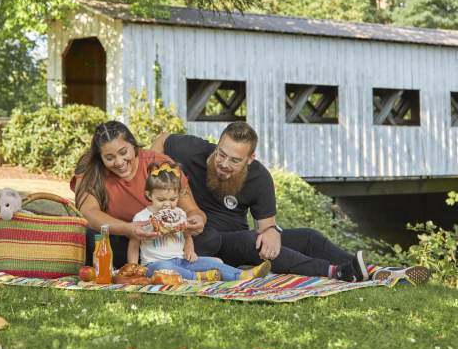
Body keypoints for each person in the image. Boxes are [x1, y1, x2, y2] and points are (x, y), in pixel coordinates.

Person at [152, 121, 431, 284]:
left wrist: (271, 232)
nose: (224, 164)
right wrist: (160, 178)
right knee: (248, 241)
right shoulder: (191, 149)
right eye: (221, 154)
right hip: (204, 240)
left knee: (305, 236)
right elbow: (161, 140)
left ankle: (375, 271)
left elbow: (267, 228)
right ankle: (337, 272)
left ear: (250, 159)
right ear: (217, 145)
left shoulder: (259, 177)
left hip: (237, 236)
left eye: (235, 160)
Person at [71, 121, 206, 269]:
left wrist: (197, 219)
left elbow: (192, 210)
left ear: (133, 145)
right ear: (100, 158)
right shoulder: (90, 170)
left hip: (165, 239)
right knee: (91, 237)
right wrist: (128, 229)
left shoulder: (159, 165)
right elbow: (88, 213)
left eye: (123, 153)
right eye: (109, 158)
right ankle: (151, 266)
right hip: (122, 239)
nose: (119, 162)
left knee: (210, 238)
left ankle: (171, 263)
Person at [127, 161, 271, 282]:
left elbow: (187, 235)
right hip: (155, 264)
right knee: (163, 269)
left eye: (173, 199)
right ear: (149, 195)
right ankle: (197, 277)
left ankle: (244, 275)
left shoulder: (179, 213)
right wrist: (134, 269)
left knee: (213, 263)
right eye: (161, 200)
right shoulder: (141, 218)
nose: (167, 204)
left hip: (182, 260)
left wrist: (189, 249)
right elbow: (134, 244)